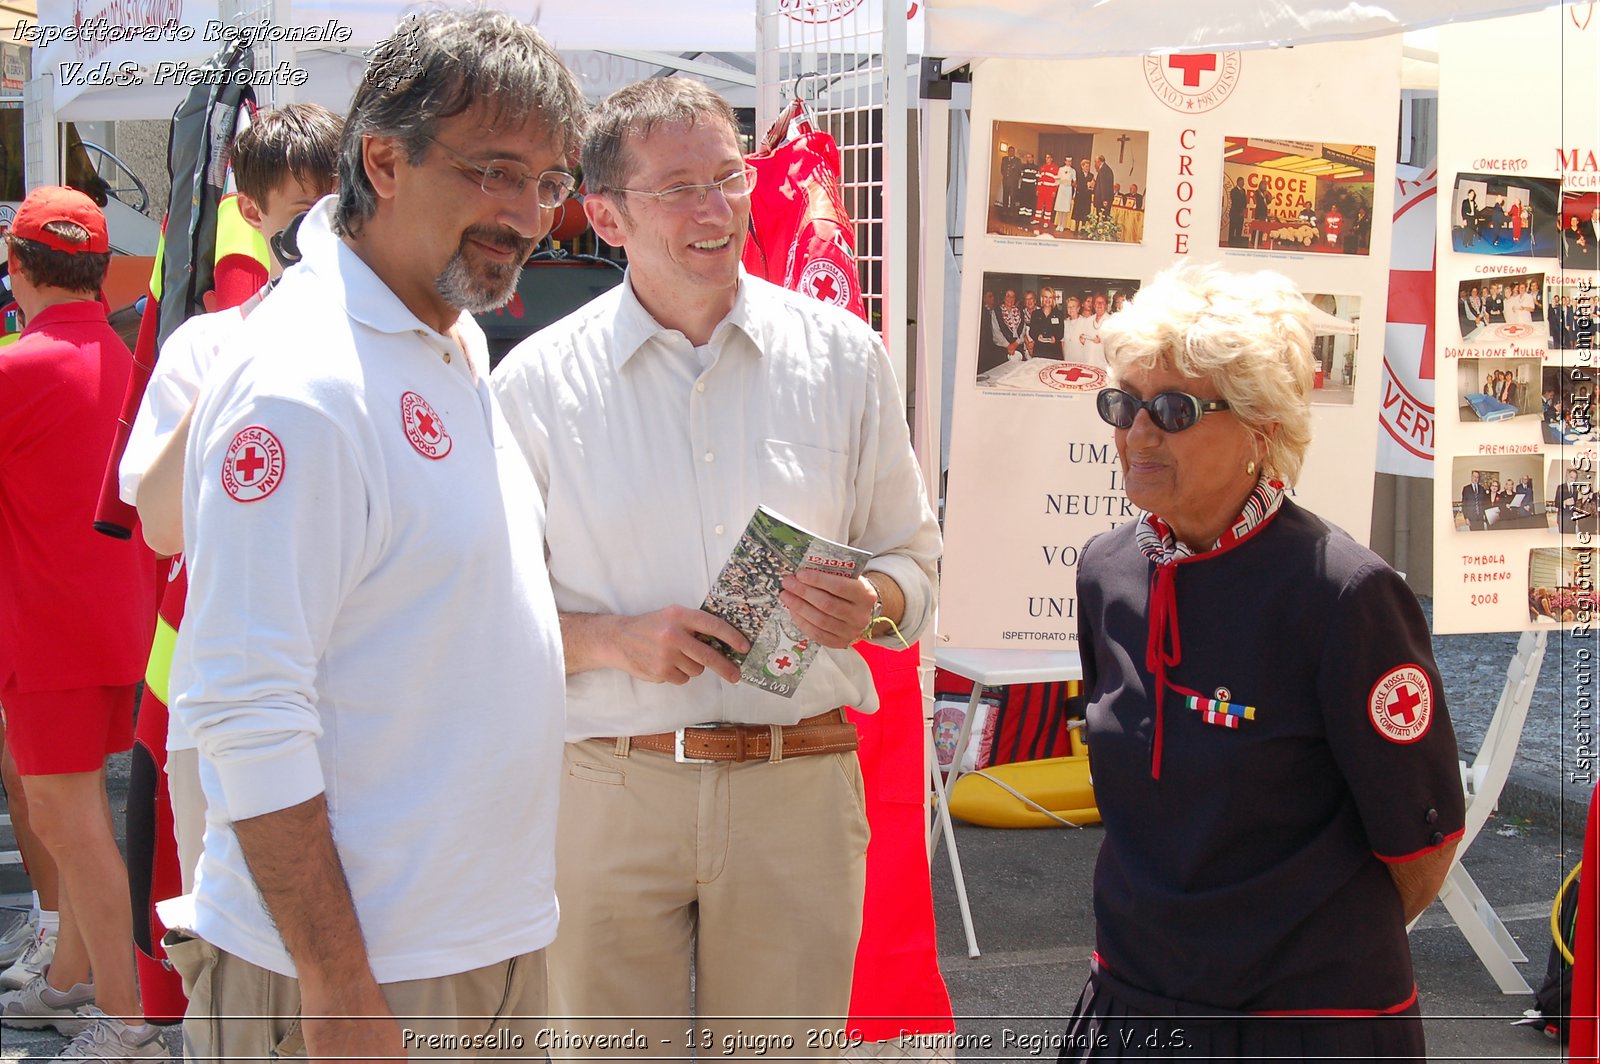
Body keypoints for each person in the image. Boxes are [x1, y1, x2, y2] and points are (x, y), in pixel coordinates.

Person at [162, 11, 584, 1059]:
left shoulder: (449, 334)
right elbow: (248, 706)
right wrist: (337, 981)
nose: (528, 213)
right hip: (358, 981)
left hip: (477, 948)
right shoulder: (303, 384)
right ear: (382, 160)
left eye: (549, 182)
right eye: (495, 171)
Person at [491, 77, 941, 1058]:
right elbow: (482, 613)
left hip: (797, 784)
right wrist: (609, 638)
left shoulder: (844, 358)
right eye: (677, 187)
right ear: (604, 214)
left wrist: (869, 600)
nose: (714, 210)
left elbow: (915, 558)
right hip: (608, 785)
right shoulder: (531, 385)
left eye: (728, 179)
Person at [1066, 263, 1463, 1061]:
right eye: (1124, 402)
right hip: (1139, 1002)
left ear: (1260, 429)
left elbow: (1422, 845)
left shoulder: (1344, 595)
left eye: (1172, 409)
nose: (1138, 432)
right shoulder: (1105, 572)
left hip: (1303, 1022)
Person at [116, 102, 342, 898]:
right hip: (226, 709)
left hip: (366, 703)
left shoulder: (415, 339)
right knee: (227, 959)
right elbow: (159, 523)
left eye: (338, 210)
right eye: (299, 216)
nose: (322, 237)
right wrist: (249, 357)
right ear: (251, 214)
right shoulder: (209, 347)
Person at [0, 187, 163, 1057]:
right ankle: (71, 980)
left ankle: (126, 1018)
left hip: (47, 635)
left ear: (18, 267)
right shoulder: (130, 359)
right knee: (88, 816)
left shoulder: (15, 369)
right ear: (101, 272)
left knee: (71, 825)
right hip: (124, 628)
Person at [976, 290, 1010, 375]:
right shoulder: (981, 313)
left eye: (993, 296)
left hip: (996, 346)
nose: (993, 298)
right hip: (985, 348)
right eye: (990, 296)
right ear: (984, 299)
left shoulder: (996, 311)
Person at [1028, 286, 1066, 360]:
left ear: (1053, 299)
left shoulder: (1059, 314)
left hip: (1054, 351)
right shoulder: (1035, 314)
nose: (1048, 300)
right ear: (1042, 298)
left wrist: (1055, 338)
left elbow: (1061, 332)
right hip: (1040, 350)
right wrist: (1037, 336)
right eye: (1046, 297)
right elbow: (1031, 331)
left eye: (1050, 297)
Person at [1035, 153, 1059, 234]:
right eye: (1046, 158)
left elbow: (1056, 181)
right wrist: (1038, 189)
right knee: (1039, 205)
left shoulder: (1055, 168)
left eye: (1048, 158)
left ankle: (1046, 221)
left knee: (1048, 206)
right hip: (1042, 189)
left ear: (1051, 159)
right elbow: (1039, 179)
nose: (1047, 159)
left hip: (1050, 190)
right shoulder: (1042, 167)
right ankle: (1037, 219)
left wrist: (1054, 191)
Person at [1000, 145, 1021, 223]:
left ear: (1014, 152)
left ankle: (1012, 211)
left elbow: (1019, 172)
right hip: (1005, 181)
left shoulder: (1018, 160)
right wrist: (1006, 176)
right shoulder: (1004, 159)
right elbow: (1002, 169)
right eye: (1009, 151)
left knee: (1012, 197)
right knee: (1005, 196)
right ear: (1008, 152)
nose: (1010, 153)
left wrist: (1014, 179)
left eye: (1012, 151)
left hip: (1013, 182)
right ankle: (1004, 211)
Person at [1226, 177, 1248, 247]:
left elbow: (1245, 201)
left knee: (1239, 229)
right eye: (1241, 182)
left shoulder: (1243, 191)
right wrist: (1240, 211)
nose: (1243, 183)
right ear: (1238, 182)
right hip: (1234, 213)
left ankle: (1238, 243)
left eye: (1243, 182)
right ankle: (1231, 242)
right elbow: (1235, 202)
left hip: (1241, 214)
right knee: (1232, 229)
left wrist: (1244, 210)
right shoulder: (1233, 191)